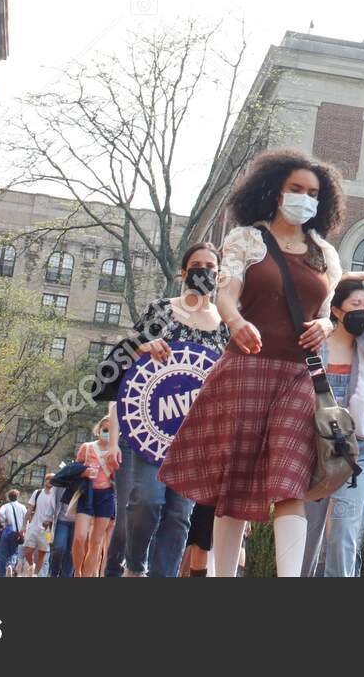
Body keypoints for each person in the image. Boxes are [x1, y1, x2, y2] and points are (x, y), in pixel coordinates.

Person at [160, 148, 346, 577]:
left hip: (300, 376)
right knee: (237, 482)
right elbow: (227, 291)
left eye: (313, 192)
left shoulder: (326, 255)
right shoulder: (246, 238)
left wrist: (327, 328)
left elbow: (325, 313)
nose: (304, 198)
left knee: (290, 481)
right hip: (245, 368)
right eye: (295, 189)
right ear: (275, 191)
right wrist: (236, 320)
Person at [93, 242, 229, 577]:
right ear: (182, 273)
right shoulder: (161, 311)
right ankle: (135, 566)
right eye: (196, 265)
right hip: (151, 426)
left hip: (196, 438)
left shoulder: (227, 322)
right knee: (148, 501)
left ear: (219, 275)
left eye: (210, 267)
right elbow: (119, 366)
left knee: (179, 513)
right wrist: (142, 346)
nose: (203, 271)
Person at [303, 272, 364, 576]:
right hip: (313, 449)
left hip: (358, 452)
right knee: (307, 537)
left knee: (344, 533)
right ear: (337, 310)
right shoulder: (316, 346)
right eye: (356, 304)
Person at [72, 419, 122, 577]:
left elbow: (119, 478)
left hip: (106, 495)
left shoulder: (117, 452)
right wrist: (83, 472)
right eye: (104, 429)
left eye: (110, 430)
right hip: (87, 493)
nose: (106, 433)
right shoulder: (87, 448)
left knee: (96, 542)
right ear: (98, 429)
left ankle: (87, 576)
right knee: (79, 538)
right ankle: (77, 571)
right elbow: (74, 468)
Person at [22, 473, 59, 576]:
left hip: (47, 531)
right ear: (44, 480)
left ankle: (35, 574)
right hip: (34, 526)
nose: (49, 481)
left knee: (42, 553)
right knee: (27, 550)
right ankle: (31, 565)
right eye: (48, 479)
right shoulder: (37, 492)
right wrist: (24, 526)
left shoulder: (56, 495)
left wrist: (50, 521)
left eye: (52, 479)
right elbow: (29, 509)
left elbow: (57, 512)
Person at [0, 487, 27, 577]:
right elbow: (26, 519)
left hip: (7, 530)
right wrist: (24, 531)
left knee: (2, 553)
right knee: (14, 552)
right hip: (17, 533)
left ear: (9, 497)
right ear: (17, 497)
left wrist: (4, 521)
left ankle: (2, 574)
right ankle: (10, 565)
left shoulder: (6, 506)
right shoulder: (23, 507)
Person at [49, 478, 79, 578]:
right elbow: (53, 498)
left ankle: (65, 575)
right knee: (59, 547)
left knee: (71, 552)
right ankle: (54, 571)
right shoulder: (62, 483)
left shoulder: (85, 483)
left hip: (78, 523)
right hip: (62, 521)